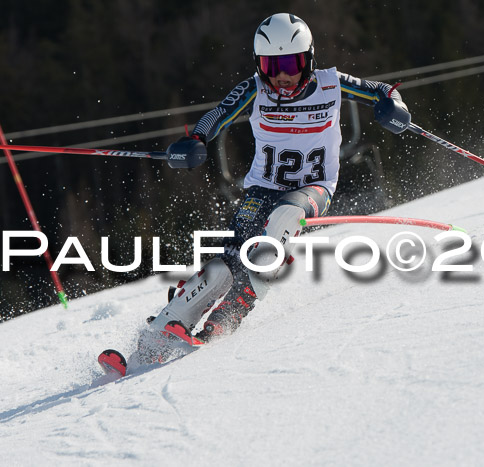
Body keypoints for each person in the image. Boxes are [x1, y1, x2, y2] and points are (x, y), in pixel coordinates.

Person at [144, 12, 411, 350]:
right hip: (263, 186)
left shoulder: (330, 83)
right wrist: (196, 139)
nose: (282, 75)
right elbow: (217, 116)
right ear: (260, 66)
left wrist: (394, 105)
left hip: (314, 188)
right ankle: (162, 332)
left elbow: (381, 90)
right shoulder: (255, 90)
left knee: (281, 221)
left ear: (309, 59)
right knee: (231, 258)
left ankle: (229, 313)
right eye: (272, 66)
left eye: (291, 63)